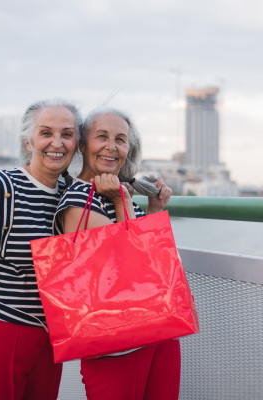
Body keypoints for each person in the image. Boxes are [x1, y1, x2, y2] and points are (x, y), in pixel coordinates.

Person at [0, 99, 82, 400]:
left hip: (51, 341)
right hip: (0, 331)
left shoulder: (74, 195)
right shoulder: (5, 188)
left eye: (67, 134)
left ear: (77, 143)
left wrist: (149, 202)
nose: (56, 143)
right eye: (46, 132)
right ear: (29, 140)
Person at [53, 107, 177, 400]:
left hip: (157, 332)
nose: (111, 147)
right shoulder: (77, 202)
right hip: (113, 346)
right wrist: (122, 202)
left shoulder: (115, 193)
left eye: (120, 139)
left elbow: (150, 256)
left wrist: (154, 208)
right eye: (102, 137)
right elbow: (133, 267)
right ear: (83, 144)